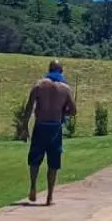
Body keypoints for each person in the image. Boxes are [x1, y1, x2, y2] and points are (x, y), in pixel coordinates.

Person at [19, 60, 76, 204]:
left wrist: (24, 127)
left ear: (49, 70)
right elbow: (73, 110)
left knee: (35, 160)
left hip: (40, 125)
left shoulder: (39, 86)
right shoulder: (65, 89)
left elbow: (29, 107)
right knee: (54, 162)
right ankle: (50, 195)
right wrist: (62, 112)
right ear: (61, 71)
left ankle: (33, 187)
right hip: (55, 127)